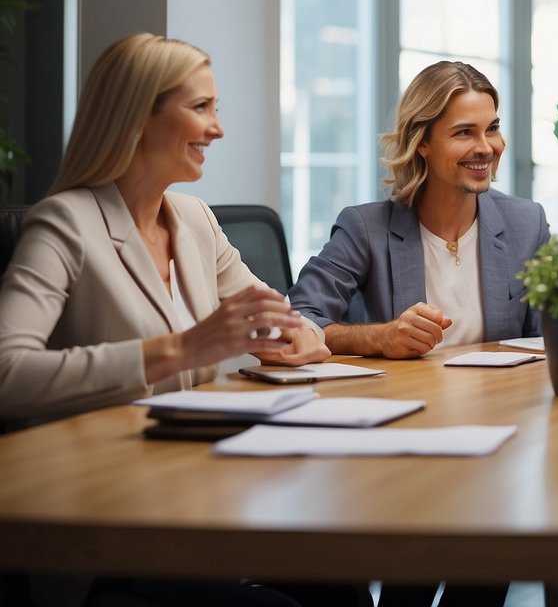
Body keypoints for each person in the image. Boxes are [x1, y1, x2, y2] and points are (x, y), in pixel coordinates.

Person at [0, 32, 334, 607]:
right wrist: (180, 350)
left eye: (216, 108)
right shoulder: (64, 224)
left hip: (207, 494)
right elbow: (8, 375)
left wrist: (295, 337)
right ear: (137, 118)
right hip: (112, 524)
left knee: (339, 578)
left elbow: (289, 318)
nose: (218, 129)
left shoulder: (194, 219)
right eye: (200, 108)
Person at [288, 60, 548, 607]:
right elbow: (301, 320)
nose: (487, 147)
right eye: (464, 133)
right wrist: (379, 338)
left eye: (493, 128)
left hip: (496, 438)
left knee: (484, 539)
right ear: (421, 143)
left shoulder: (525, 222)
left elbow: (551, 333)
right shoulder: (367, 227)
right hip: (399, 443)